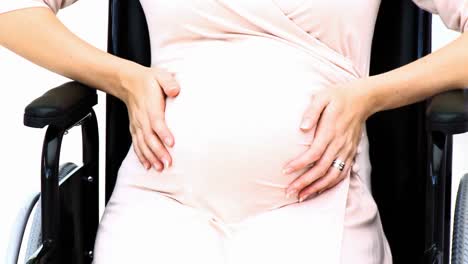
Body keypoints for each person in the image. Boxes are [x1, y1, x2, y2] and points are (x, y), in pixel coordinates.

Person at [1, 1, 467, 263]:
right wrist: (121, 77)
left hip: (313, 198)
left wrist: (369, 95)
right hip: (162, 198)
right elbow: (12, 11)